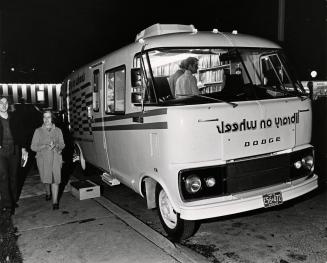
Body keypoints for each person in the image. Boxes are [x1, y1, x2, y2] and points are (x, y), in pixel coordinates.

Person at [31, 110, 65, 210]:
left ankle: (55, 202)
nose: (46, 119)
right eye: (44, 117)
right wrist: (44, 146)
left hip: (55, 158)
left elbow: (62, 144)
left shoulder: (58, 130)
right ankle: (48, 192)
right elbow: (33, 147)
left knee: (55, 180)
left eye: (48, 117)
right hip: (43, 160)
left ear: (52, 118)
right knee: (46, 179)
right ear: (42, 118)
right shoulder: (38, 131)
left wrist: (56, 145)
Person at [0, 95, 28, 215]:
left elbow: (21, 135)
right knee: (3, 177)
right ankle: (7, 205)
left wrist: (24, 149)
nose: (4, 105)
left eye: (6, 103)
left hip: (14, 151)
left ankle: (13, 200)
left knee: (13, 177)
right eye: (1, 103)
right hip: (1, 153)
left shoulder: (14, 117)